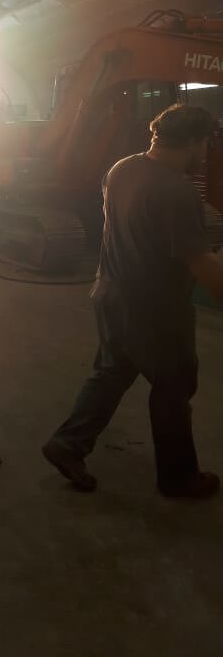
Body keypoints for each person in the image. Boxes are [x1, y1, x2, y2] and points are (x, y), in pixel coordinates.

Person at [43, 103, 223, 498]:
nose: (207, 153)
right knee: (173, 390)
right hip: (155, 311)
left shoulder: (121, 168)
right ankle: (179, 480)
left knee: (111, 373)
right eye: (206, 144)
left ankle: (67, 444)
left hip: (109, 295)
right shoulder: (175, 190)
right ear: (193, 142)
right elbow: (201, 262)